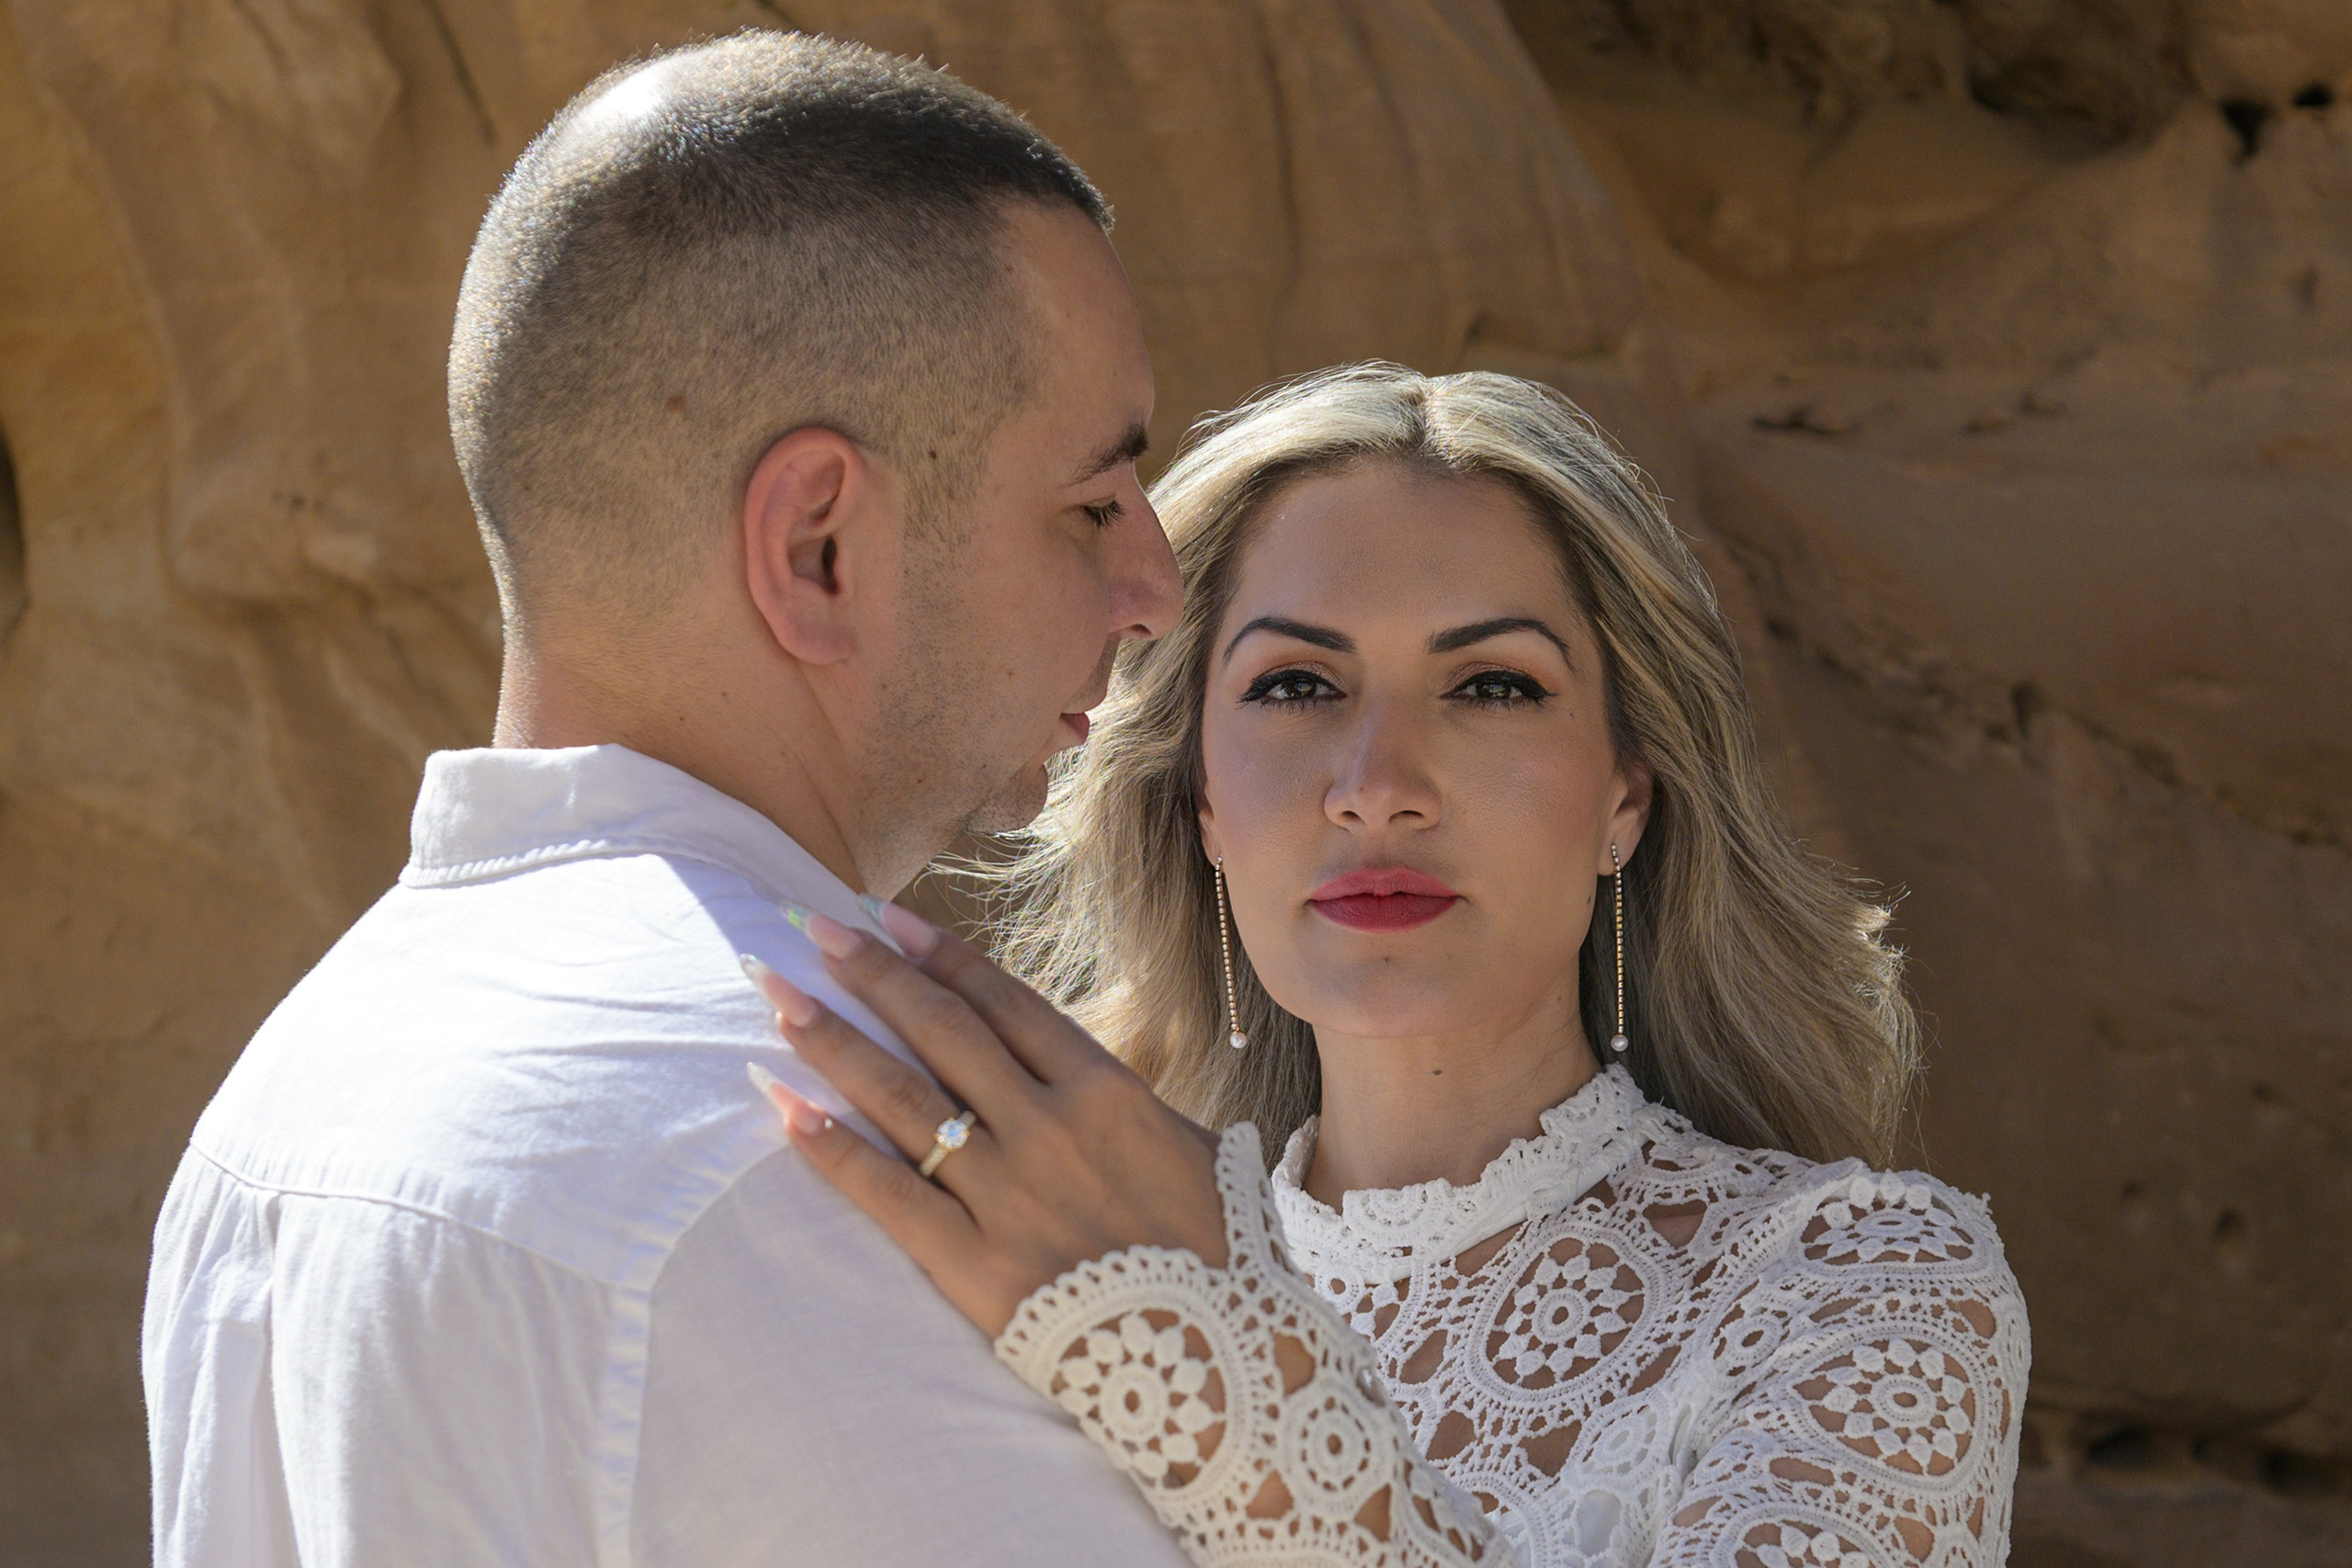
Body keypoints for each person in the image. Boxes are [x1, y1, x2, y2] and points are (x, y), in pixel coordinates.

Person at [141, 31, 1245, 1566]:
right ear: (818, 549)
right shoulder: (859, 1158)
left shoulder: (277, 1101)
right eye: (1090, 501)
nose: (1152, 587)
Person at [750, 366, 2031, 1567]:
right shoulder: (1033, 1261)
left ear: (1625, 798)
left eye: (1491, 687)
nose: (1377, 791)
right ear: (1200, 798)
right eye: (1299, 683)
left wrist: (1211, 1381)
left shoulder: (1860, 1288)